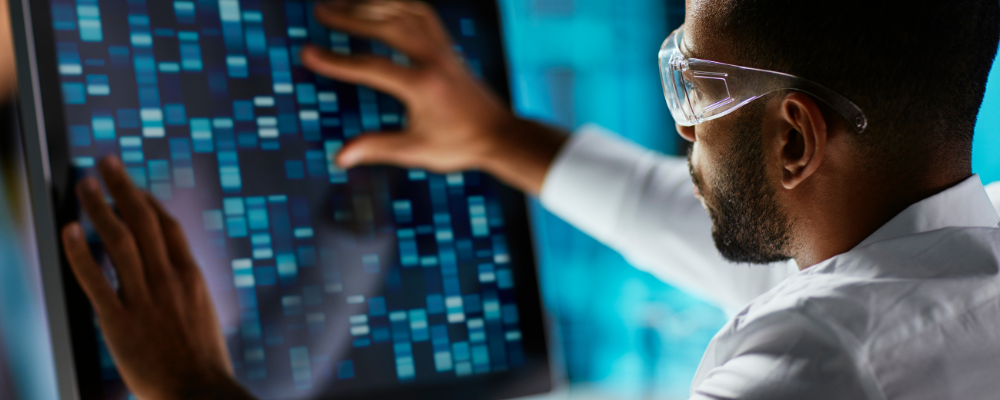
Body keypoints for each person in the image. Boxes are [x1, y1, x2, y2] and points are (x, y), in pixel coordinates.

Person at [16, 0, 1000, 399]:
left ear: (791, 138)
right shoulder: (962, 249)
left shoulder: (814, 369)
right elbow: (752, 247)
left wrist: (193, 388)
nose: (684, 126)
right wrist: (493, 134)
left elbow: (800, 320)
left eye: (697, 81)